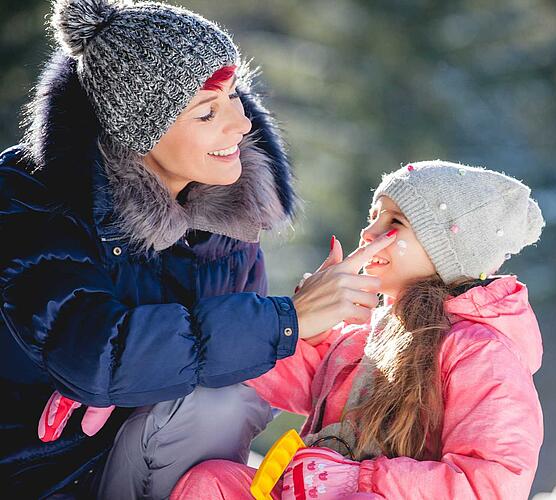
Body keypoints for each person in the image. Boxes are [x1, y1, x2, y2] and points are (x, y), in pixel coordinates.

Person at [0, 0, 394, 498]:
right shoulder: (30, 200)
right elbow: (95, 356)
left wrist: (313, 331)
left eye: (234, 97)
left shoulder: (223, 210)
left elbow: (236, 371)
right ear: (135, 130)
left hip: (141, 454)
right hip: (40, 475)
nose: (242, 124)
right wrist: (284, 319)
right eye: (208, 111)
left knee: (223, 402)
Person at [172, 160, 547, 499]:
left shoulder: (481, 353)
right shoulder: (363, 335)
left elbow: (490, 484)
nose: (369, 232)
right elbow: (283, 380)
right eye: (373, 218)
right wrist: (302, 322)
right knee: (213, 482)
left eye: (394, 223)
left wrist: (360, 481)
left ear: (447, 250)